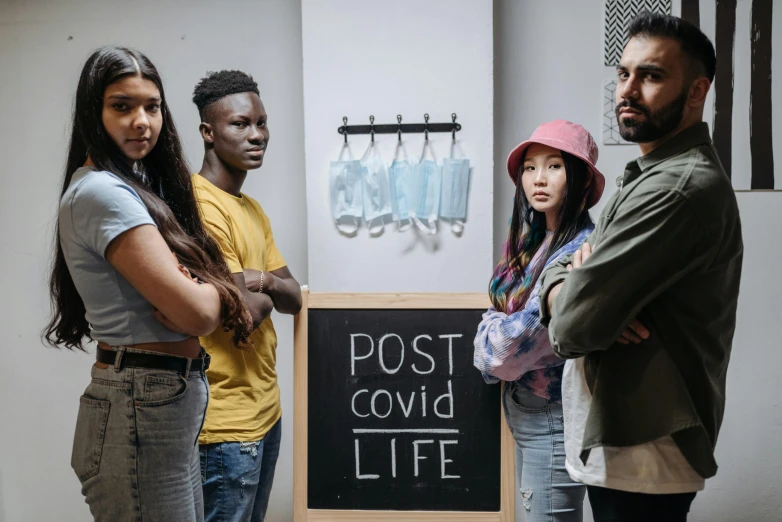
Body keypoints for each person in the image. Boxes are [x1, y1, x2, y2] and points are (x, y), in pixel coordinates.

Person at [540, 13, 743, 522]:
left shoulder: (675, 188)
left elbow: (572, 326)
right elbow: (560, 265)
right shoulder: (646, 173)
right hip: (621, 443)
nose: (628, 90)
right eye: (623, 73)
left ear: (697, 91)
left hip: (643, 451)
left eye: (651, 76)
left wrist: (583, 295)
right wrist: (572, 280)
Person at [45, 46, 253, 522]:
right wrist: (217, 290)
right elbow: (199, 313)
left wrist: (207, 287)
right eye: (122, 106)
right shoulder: (103, 193)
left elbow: (202, 299)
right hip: (141, 402)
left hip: (155, 400)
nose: (142, 121)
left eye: (152, 107)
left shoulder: (132, 185)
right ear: (92, 113)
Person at [474, 120, 605, 522]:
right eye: (530, 168)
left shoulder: (581, 252)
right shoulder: (533, 242)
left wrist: (487, 328)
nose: (538, 179)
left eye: (554, 166)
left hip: (553, 419)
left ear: (581, 180)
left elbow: (503, 353)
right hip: (529, 414)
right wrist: (497, 324)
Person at [191, 70, 302, 522]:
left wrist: (265, 283)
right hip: (224, 423)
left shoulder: (252, 209)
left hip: (265, 410)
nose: (257, 135)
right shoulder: (199, 205)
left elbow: (294, 296)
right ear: (208, 132)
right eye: (240, 124)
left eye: (261, 122)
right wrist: (254, 291)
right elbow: (240, 314)